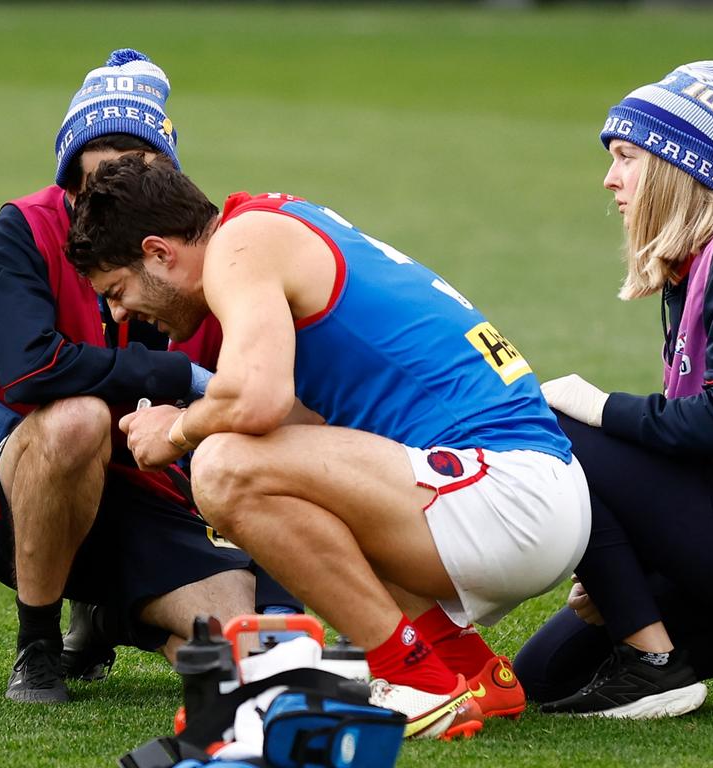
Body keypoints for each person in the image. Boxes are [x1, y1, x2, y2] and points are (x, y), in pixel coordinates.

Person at [64, 158, 592, 739]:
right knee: (246, 456)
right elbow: (299, 422)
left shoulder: (239, 247)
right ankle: (466, 669)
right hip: (529, 490)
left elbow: (258, 402)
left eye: (118, 290)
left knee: (222, 467)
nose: (120, 313)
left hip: (505, 493)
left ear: (159, 252)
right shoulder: (269, 222)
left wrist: (176, 430)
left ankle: (415, 678)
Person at [0, 50, 298, 705]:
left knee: (250, 654)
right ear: (67, 182)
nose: (110, 199)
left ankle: (114, 614)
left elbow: (262, 418)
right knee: (77, 417)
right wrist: (179, 374)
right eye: (93, 182)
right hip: (21, 485)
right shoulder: (25, 226)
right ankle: (38, 648)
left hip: (150, 496)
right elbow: (30, 371)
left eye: (136, 177)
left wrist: (280, 619)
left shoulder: (200, 256)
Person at [512, 41, 713, 719]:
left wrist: (598, 407)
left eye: (626, 157)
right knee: (542, 673)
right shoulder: (711, 255)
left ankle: (654, 665)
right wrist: (611, 552)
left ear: (675, 166)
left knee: (559, 422)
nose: (610, 179)